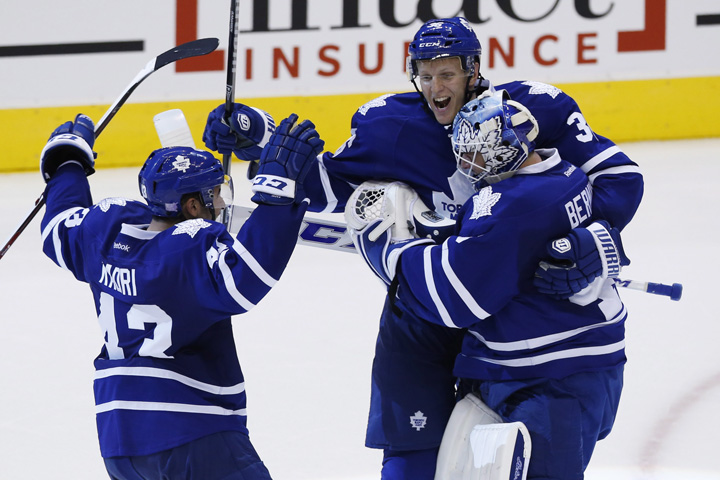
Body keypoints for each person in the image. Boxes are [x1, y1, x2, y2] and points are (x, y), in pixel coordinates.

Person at [203, 17, 643, 479]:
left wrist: (595, 240)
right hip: (427, 299)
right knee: (413, 444)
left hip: (508, 310)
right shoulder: (391, 126)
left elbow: (618, 179)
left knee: (511, 451)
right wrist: (262, 139)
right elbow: (330, 186)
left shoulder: (536, 109)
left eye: (447, 74)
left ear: (474, 70)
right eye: (426, 75)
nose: (436, 87)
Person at [344, 90, 629, 479]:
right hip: (581, 363)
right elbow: (505, 240)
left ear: (504, 150)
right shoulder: (566, 175)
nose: (466, 163)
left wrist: (392, 251)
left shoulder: (507, 205)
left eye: (474, 152)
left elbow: (454, 297)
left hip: (545, 378)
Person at [39, 112, 323, 479]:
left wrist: (66, 164)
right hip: (193, 431)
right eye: (215, 196)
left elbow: (59, 228)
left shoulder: (105, 233)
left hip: (120, 445)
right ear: (192, 206)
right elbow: (247, 276)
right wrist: (277, 192)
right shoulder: (188, 251)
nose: (221, 205)